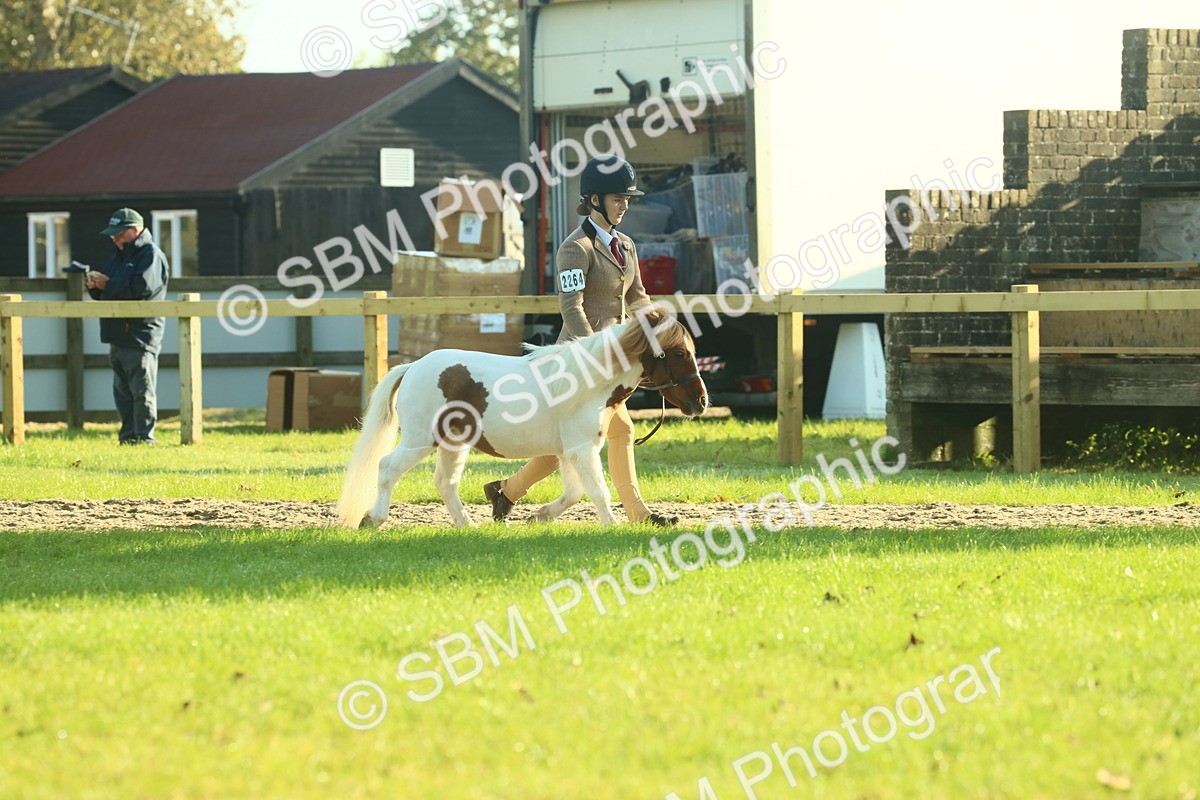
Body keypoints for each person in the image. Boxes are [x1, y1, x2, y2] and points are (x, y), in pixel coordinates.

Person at [483, 154, 679, 527]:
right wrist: (594, 354)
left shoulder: (627, 245)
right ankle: (637, 514)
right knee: (603, 433)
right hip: (579, 359)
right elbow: (571, 308)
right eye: (617, 198)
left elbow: (636, 296)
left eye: (627, 199)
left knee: (577, 439)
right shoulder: (575, 248)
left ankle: (506, 492)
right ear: (594, 200)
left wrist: (656, 325)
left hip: (615, 359)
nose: (624, 205)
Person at [87, 208, 170, 445]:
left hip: (139, 333)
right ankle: (128, 437)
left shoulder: (151, 255)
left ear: (134, 230)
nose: (114, 239)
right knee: (123, 391)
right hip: (117, 332)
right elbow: (110, 290)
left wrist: (107, 284)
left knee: (141, 390)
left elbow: (141, 289)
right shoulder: (119, 255)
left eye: (118, 234)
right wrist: (94, 286)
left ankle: (144, 439)